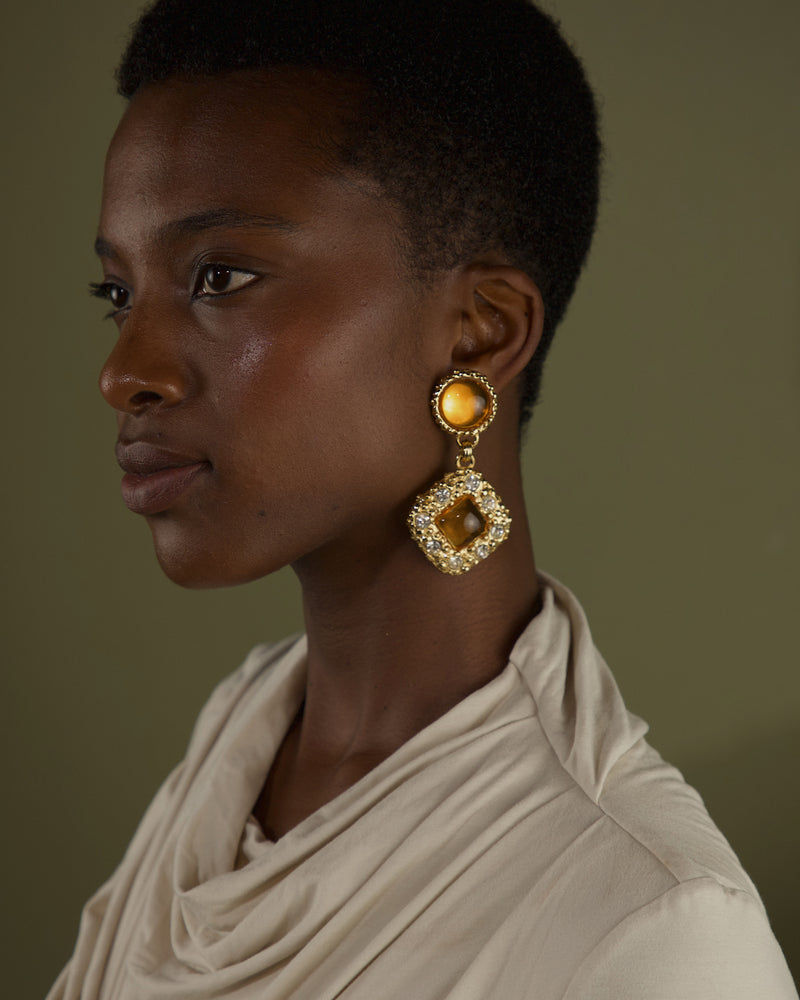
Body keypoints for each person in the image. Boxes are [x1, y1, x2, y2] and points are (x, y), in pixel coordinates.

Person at [49, 0, 797, 997]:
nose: (123, 371)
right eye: (117, 294)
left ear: (478, 334)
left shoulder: (651, 931)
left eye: (219, 276)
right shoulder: (238, 740)